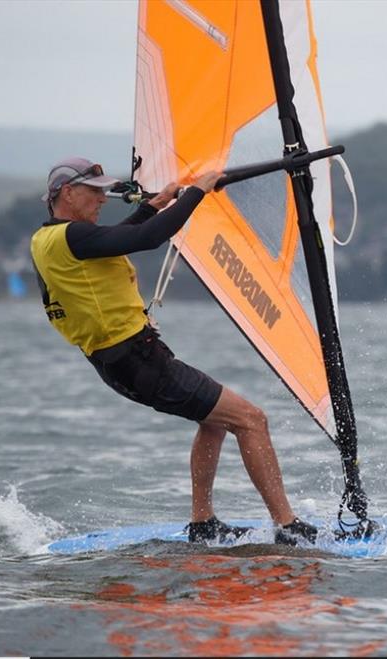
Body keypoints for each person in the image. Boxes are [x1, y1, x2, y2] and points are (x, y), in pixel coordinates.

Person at [30, 156, 317, 546]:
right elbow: (146, 239)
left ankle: (203, 523)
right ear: (68, 192)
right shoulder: (74, 237)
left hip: (121, 364)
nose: (102, 200)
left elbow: (117, 238)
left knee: (214, 420)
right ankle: (288, 527)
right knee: (252, 419)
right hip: (138, 360)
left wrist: (155, 204)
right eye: (95, 193)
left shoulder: (48, 240)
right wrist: (199, 190)